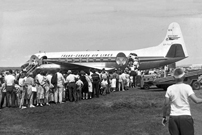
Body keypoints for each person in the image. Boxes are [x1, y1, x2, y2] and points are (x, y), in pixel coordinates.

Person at [162, 68, 202, 135]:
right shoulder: (187, 87)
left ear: (173, 77)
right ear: (183, 76)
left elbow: (166, 104)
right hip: (186, 116)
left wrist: (164, 116)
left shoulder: (170, 88)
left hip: (173, 117)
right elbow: (196, 100)